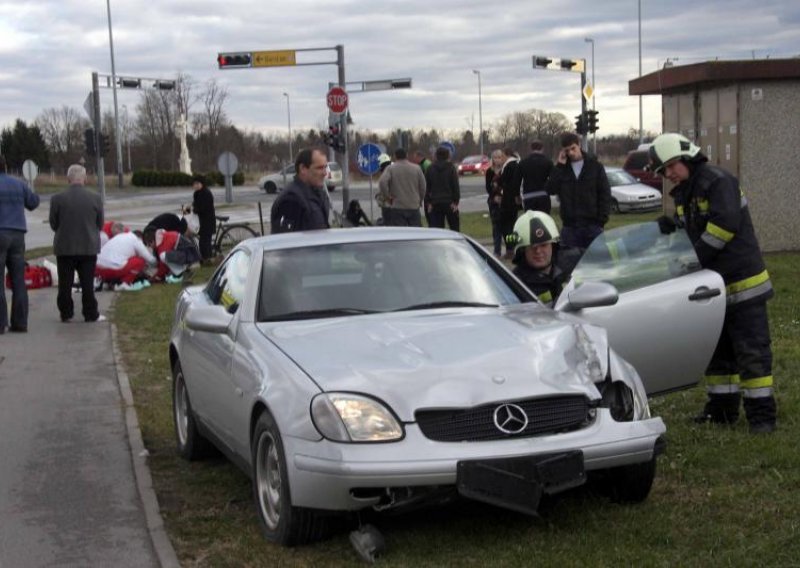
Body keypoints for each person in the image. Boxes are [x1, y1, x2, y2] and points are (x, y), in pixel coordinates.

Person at [649, 132, 777, 434]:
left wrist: (692, 259)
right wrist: (674, 228)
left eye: (670, 167)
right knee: (718, 353)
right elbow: (695, 228)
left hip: (743, 283)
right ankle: (722, 410)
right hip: (713, 286)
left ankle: (762, 417)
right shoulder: (687, 191)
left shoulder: (718, 181)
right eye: (663, 171)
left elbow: (723, 227)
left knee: (751, 353)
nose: (668, 175)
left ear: (686, 156)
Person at [49, 163, 105, 323]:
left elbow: (54, 224)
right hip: (88, 246)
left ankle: (66, 312)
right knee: (87, 283)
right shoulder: (95, 198)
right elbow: (99, 224)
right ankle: (90, 313)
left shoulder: (57, 199)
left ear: (68, 179)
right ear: (84, 178)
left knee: (65, 283)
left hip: (65, 247)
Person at [545, 132, 611, 250]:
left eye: (573, 148)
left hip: (593, 226)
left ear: (579, 145)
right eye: (567, 150)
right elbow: (550, 189)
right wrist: (559, 165)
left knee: (598, 262)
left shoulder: (595, 166)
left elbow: (605, 193)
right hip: (570, 228)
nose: (570, 153)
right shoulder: (562, 169)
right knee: (570, 264)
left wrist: (601, 221)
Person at [0, 154, 41, 333]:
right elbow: (33, 203)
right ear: (6, 166)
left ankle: (1, 323)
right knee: (18, 280)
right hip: (17, 235)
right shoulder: (18, 184)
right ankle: (20, 322)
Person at [507, 210, 579, 307]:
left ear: (553, 246)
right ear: (522, 251)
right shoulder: (516, 285)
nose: (538, 251)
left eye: (544, 245)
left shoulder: (571, 266)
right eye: (532, 247)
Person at [271, 148, 330, 233]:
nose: (325, 173)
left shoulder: (319, 194)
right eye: (319, 168)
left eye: (325, 167)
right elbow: (285, 241)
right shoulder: (291, 200)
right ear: (303, 168)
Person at [377, 148, 426, 227]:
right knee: (416, 232)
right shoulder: (417, 168)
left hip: (397, 206)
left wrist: (388, 197)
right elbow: (423, 186)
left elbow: (382, 182)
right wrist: (420, 199)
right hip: (413, 205)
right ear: (406, 155)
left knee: (400, 233)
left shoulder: (390, 169)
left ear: (395, 156)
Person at [425, 146, 461, 231]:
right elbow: (455, 185)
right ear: (448, 156)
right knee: (454, 228)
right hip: (449, 202)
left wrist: (428, 202)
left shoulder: (430, 168)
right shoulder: (451, 168)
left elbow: (427, 187)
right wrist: (456, 202)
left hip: (435, 202)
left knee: (438, 230)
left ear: (436, 156)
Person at [496, 147, 522, 257]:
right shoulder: (518, 164)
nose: (501, 158)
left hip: (508, 200)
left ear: (506, 155)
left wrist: (498, 182)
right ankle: (513, 247)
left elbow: (502, 181)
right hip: (515, 200)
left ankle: (510, 248)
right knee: (512, 224)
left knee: (505, 226)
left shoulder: (508, 166)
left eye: (502, 156)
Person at [518, 140, 554, 213]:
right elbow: (553, 178)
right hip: (543, 195)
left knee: (531, 221)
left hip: (528, 196)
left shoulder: (523, 163)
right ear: (542, 148)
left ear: (531, 149)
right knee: (544, 220)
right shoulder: (548, 162)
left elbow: (517, 180)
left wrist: (517, 195)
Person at [189, 174, 215, 261]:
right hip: (201, 221)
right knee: (203, 241)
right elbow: (195, 205)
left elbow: (203, 208)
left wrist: (194, 209)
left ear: (202, 184)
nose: (195, 186)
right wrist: (189, 209)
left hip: (207, 221)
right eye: (194, 184)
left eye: (197, 183)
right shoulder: (197, 193)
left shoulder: (206, 193)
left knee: (205, 242)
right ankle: (206, 259)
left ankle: (207, 259)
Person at [485, 149, 505, 257]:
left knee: (506, 226)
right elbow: (488, 187)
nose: (497, 160)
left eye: (499, 157)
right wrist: (494, 196)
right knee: (496, 226)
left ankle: (510, 248)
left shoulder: (505, 170)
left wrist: (502, 196)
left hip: (505, 201)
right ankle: (497, 250)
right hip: (493, 202)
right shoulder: (489, 171)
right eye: (495, 157)